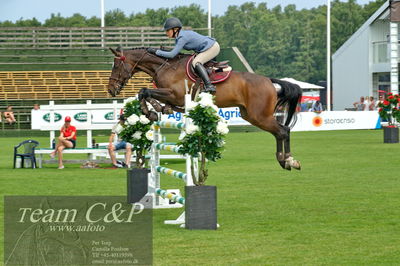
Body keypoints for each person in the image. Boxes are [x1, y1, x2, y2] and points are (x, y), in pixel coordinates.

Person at [147, 17, 220, 93]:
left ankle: (209, 86)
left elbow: (172, 55)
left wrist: (156, 52)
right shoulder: (178, 37)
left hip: (212, 47)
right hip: (205, 48)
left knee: (196, 62)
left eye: (168, 30)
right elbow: (175, 53)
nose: (166, 33)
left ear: (175, 30)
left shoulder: (182, 37)